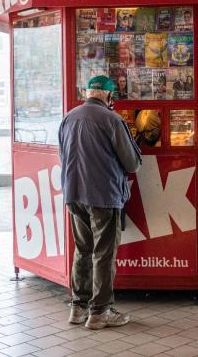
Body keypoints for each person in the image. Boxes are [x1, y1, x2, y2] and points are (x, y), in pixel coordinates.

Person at [59, 75, 142, 330]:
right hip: (103, 196)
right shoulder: (112, 120)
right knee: (103, 253)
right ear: (108, 95)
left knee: (82, 249)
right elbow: (132, 163)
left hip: (74, 194)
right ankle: (100, 312)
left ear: (88, 93)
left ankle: (78, 308)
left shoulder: (68, 118)